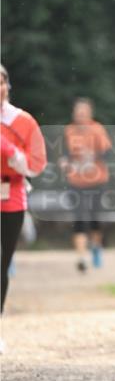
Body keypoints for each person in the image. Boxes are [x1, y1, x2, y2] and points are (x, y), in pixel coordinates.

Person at [1, 64, 47, 321]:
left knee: (3, 260)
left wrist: (9, 150)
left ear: (7, 87)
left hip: (11, 192)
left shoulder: (22, 121)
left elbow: (36, 164)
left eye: (1, 82)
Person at [62, 98, 112, 272]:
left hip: (97, 180)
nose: (81, 115)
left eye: (84, 111)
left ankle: (96, 248)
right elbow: (65, 154)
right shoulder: (69, 131)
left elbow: (107, 153)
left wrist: (92, 157)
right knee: (79, 218)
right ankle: (81, 257)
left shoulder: (97, 129)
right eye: (78, 111)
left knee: (95, 217)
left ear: (90, 113)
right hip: (76, 180)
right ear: (74, 113)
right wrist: (65, 162)